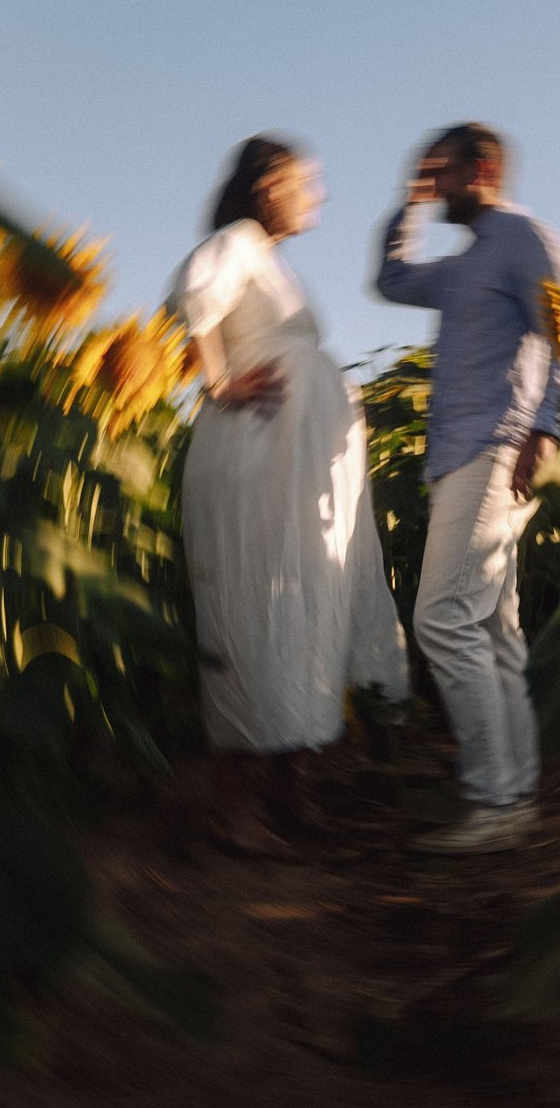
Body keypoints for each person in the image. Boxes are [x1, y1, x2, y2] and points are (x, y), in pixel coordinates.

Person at [169, 135, 409, 856]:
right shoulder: (237, 242)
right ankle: (233, 807)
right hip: (256, 454)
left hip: (297, 459)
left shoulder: (272, 261)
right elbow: (192, 300)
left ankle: (289, 790)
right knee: (252, 606)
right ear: (268, 184)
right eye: (308, 181)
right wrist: (218, 381)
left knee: (300, 602)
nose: (318, 195)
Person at [375, 122, 560, 855]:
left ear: (483, 168)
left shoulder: (524, 237)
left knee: (442, 618)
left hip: (499, 451)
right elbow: (392, 280)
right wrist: (407, 206)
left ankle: (492, 798)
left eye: (442, 174)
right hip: (459, 459)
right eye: (426, 175)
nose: (436, 188)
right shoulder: (467, 265)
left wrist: (545, 426)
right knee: (495, 631)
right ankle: (516, 790)